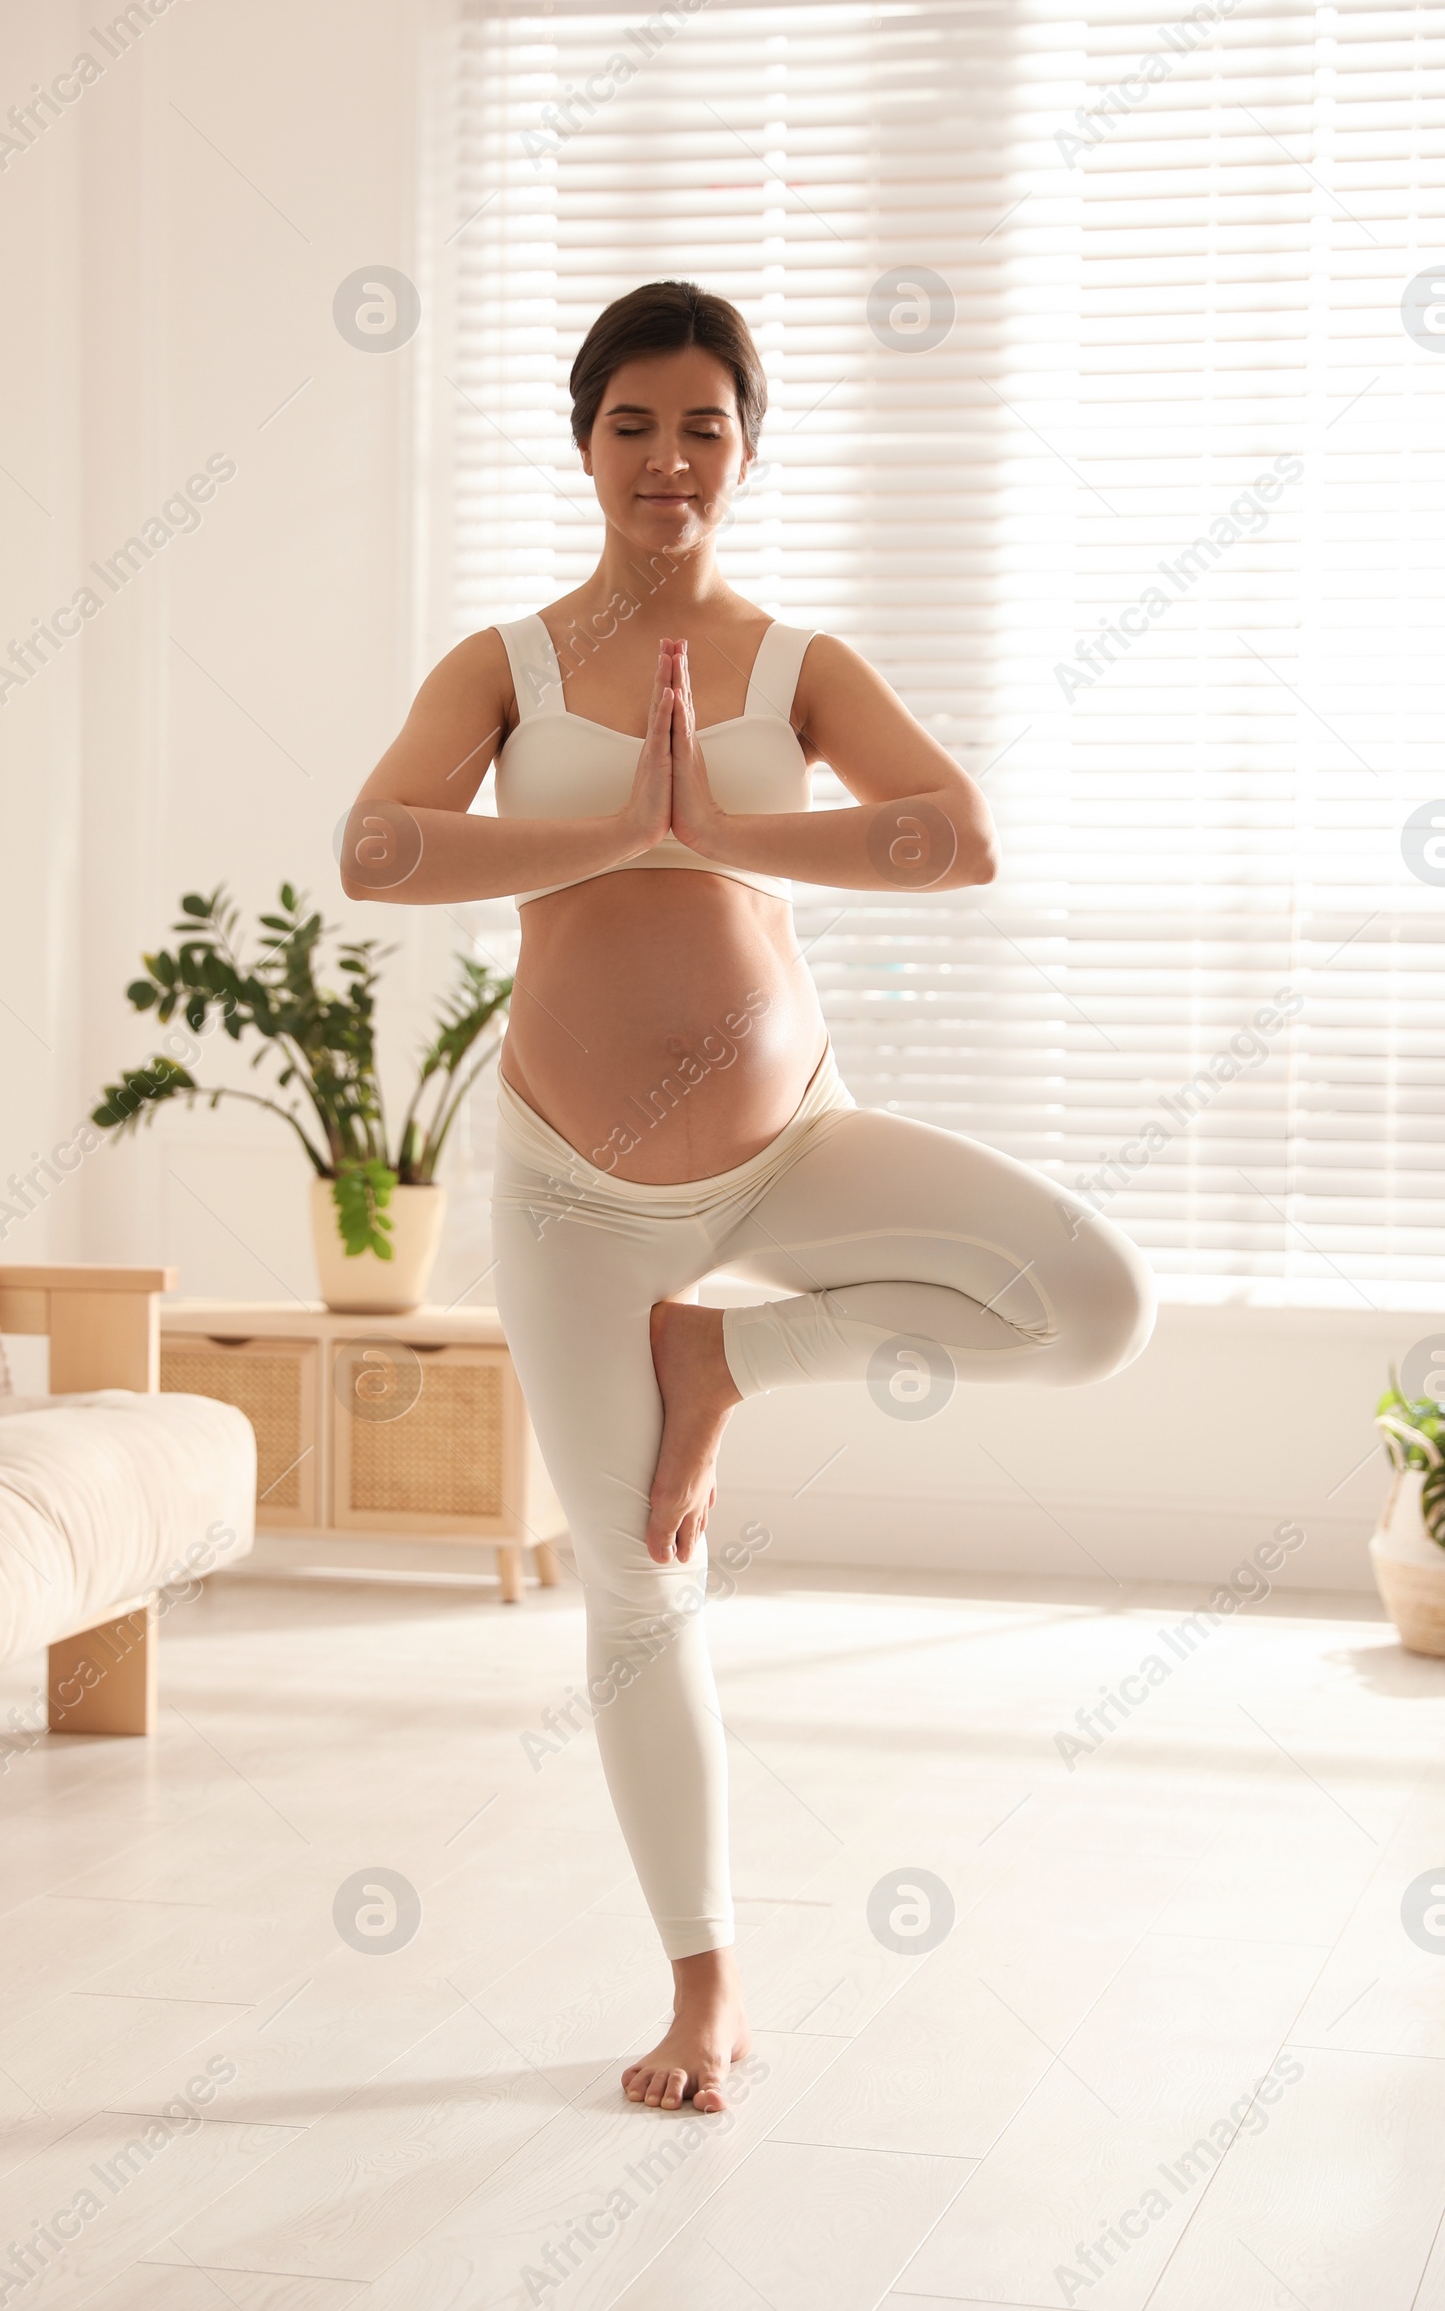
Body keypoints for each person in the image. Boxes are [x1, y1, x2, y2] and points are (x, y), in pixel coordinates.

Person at [341, 279, 1155, 2116]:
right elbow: (379, 849)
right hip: (574, 1191)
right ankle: (704, 1989)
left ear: (747, 448)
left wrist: (722, 832)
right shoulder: (509, 665)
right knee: (637, 1589)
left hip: (791, 1150)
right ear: (582, 443)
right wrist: (617, 832)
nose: (667, 455)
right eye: (633, 421)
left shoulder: (793, 666)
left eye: (704, 422)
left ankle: (730, 1363)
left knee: (1095, 1302)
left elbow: (956, 834)